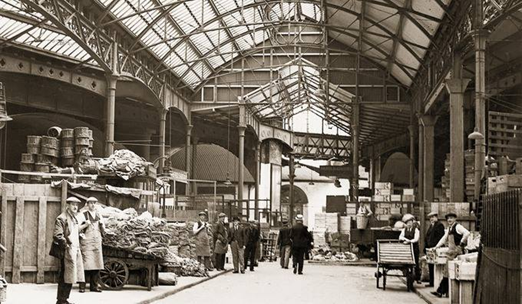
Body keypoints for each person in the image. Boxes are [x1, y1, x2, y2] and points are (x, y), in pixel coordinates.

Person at [49, 197, 89, 304]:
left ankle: (64, 299)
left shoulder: (74, 218)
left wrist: (80, 233)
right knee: (65, 276)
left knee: (70, 276)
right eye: (73, 205)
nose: (75, 207)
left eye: (76, 205)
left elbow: (74, 231)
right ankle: (61, 300)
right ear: (67, 206)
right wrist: (66, 245)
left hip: (75, 249)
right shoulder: (62, 218)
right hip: (67, 250)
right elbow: (57, 235)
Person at [431, 212, 470, 298]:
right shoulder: (449, 228)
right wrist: (436, 247)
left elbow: (467, 233)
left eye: (451, 218)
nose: (449, 220)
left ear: (455, 219)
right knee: (447, 272)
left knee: (450, 272)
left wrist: (461, 243)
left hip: (457, 253)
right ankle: (442, 291)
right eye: (448, 218)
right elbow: (444, 239)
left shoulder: (458, 227)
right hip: (451, 253)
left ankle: (441, 291)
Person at [78, 197, 104, 293]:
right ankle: (82, 286)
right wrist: (85, 226)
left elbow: (103, 229)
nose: (93, 205)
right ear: (87, 204)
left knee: (97, 264)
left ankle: (94, 286)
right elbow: (78, 228)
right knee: (85, 265)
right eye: (91, 203)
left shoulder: (98, 215)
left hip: (96, 242)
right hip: (87, 242)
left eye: (94, 203)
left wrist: (101, 225)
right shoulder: (83, 215)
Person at [425, 211, 445, 287]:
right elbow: (427, 237)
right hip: (430, 248)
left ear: (436, 217)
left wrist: (436, 246)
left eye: (433, 217)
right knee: (430, 264)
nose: (431, 219)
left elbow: (440, 237)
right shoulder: (431, 226)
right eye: (430, 217)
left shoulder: (439, 225)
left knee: (435, 266)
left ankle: (435, 282)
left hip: (435, 248)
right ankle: (431, 282)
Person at [399, 214, 421, 283]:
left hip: (414, 248)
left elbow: (416, 239)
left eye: (410, 222)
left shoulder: (416, 230)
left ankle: (418, 278)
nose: (409, 224)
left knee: (416, 262)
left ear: (412, 223)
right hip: (406, 249)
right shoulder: (404, 230)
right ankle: (406, 274)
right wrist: (405, 239)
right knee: (406, 262)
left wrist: (409, 241)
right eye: (407, 223)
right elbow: (400, 237)